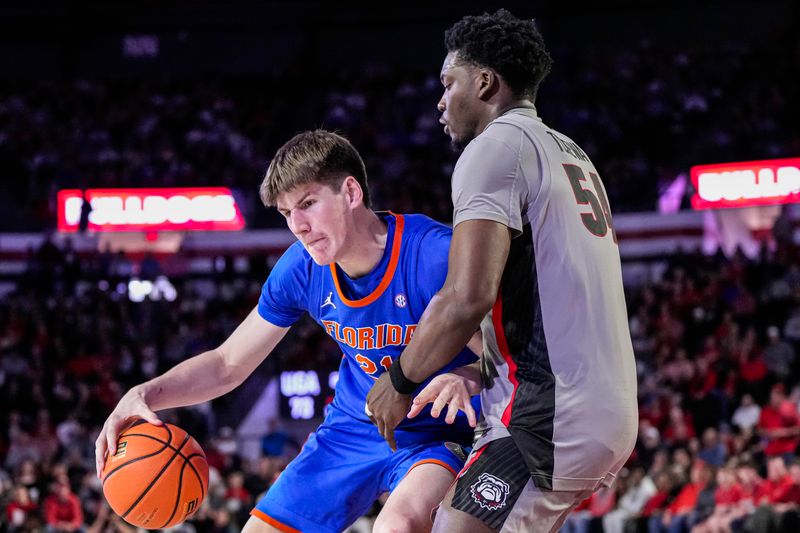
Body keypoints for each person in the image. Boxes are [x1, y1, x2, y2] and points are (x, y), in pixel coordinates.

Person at [95, 130, 481, 533]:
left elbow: (514, 354)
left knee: (396, 527)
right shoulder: (301, 268)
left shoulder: (434, 254)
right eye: (285, 213)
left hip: (439, 432)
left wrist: (466, 376)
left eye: (308, 204)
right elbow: (228, 364)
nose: (297, 225)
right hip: (353, 428)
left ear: (351, 192)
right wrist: (144, 394)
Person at [366, 9, 638, 532]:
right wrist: (473, 372)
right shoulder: (571, 152)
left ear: (485, 81)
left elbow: (467, 295)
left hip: (551, 413)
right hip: (601, 403)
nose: (440, 101)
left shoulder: (494, 147)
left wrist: (399, 379)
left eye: (449, 83)